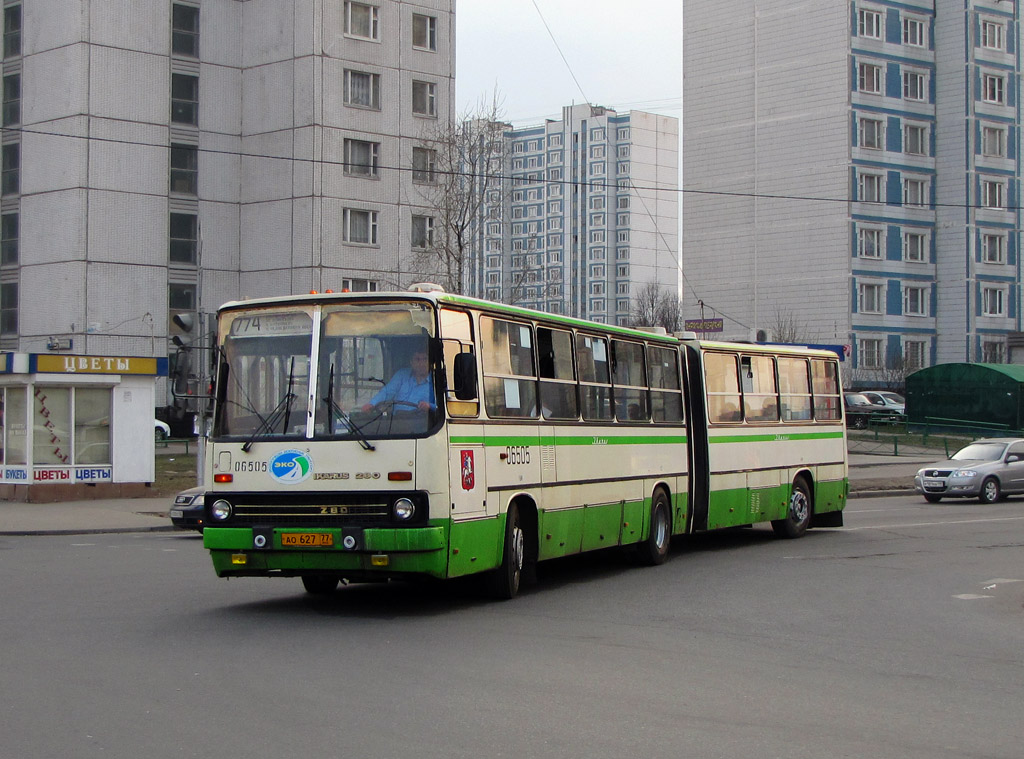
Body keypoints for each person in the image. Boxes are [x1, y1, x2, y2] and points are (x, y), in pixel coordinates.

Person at [362, 350, 435, 412]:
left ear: (430, 363)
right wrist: (372, 404)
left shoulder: (436, 381)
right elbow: (387, 392)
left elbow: (442, 406)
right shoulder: (402, 374)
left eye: (425, 359)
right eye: (417, 359)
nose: (421, 364)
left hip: (422, 424)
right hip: (397, 421)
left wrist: (430, 406)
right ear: (411, 362)